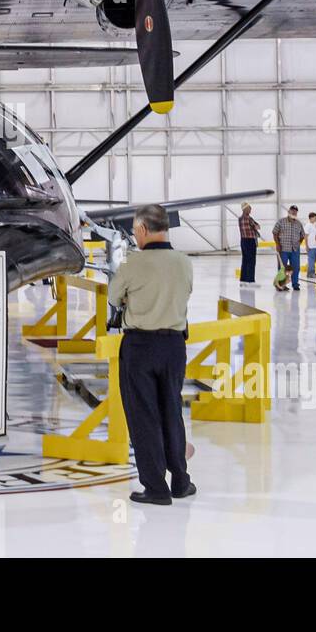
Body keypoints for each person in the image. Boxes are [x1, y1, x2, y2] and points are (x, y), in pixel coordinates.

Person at [107, 204, 195, 506]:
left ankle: (156, 487)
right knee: (172, 411)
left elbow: (113, 296)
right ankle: (181, 481)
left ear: (143, 230)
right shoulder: (184, 262)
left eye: (135, 230)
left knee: (144, 417)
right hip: (174, 346)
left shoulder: (133, 263)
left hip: (140, 348)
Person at [272, 205, 305, 291]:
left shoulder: (299, 223)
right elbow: (275, 233)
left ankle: (295, 284)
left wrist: (299, 243)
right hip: (283, 249)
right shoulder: (281, 222)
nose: (294, 213)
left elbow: (302, 235)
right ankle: (281, 285)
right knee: (282, 268)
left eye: (295, 212)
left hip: (295, 250)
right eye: (292, 211)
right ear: (289, 212)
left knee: (296, 267)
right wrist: (277, 244)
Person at [238, 203, 260, 283]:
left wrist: (255, 225)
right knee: (251, 261)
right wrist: (256, 226)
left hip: (243, 241)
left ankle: (243, 278)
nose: (250, 210)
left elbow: (256, 226)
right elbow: (257, 226)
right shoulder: (249, 219)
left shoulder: (240, 218)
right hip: (250, 241)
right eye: (249, 208)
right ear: (244, 209)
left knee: (245, 260)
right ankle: (250, 279)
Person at [304, 211, 316, 281]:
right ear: (311, 218)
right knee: (311, 260)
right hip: (311, 246)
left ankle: (311, 273)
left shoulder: (315, 225)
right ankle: (311, 273)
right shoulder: (308, 225)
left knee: (314, 261)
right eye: (315, 217)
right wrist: (306, 246)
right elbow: (305, 236)